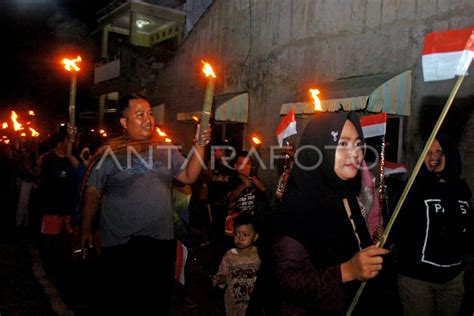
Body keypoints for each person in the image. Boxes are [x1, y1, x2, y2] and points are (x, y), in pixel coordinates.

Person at [79, 94, 211, 314]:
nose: (148, 119)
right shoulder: (110, 153)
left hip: (160, 243)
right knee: (123, 303)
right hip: (121, 244)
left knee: (156, 303)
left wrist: (200, 144)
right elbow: (92, 192)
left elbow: (189, 176)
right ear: (124, 122)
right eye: (140, 114)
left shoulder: (165, 149)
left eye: (150, 113)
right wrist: (85, 227)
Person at [271, 111, 389, 315]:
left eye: (358, 143)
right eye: (342, 144)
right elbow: (284, 281)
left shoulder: (346, 194)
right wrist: (347, 271)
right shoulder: (298, 205)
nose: (355, 152)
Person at [395, 134, 472, 316]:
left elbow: (466, 228)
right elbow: (398, 223)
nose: (433, 156)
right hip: (417, 278)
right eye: (428, 152)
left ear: (450, 155)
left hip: (453, 277)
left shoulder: (462, 189)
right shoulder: (415, 186)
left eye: (439, 151)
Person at [212, 214, 261, 316]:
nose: (240, 238)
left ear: (255, 236)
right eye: (236, 234)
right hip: (234, 305)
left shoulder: (259, 255)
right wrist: (219, 278)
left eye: (245, 234)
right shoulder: (229, 255)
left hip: (254, 306)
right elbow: (224, 276)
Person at [225, 151, 266, 239]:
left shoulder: (254, 179)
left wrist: (252, 176)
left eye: (247, 164)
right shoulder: (233, 180)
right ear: (236, 166)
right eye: (241, 164)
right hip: (233, 222)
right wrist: (243, 185)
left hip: (249, 221)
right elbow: (230, 198)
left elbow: (263, 189)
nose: (244, 167)